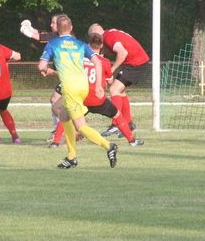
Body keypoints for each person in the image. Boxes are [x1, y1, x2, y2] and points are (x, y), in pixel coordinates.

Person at [38, 15, 118, 169]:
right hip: (84, 85)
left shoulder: (53, 44)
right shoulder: (80, 44)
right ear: (71, 27)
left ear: (57, 29)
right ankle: (71, 157)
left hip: (70, 87)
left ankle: (109, 146)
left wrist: (48, 70)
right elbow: (97, 62)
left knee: (80, 126)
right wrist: (100, 86)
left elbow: (41, 66)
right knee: (63, 115)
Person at [49, 33, 145, 147]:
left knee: (65, 115)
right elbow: (109, 81)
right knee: (117, 115)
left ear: (88, 44)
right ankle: (132, 140)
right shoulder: (104, 62)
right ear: (102, 46)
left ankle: (55, 142)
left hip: (81, 96)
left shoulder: (79, 59)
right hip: (97, 99)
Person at [88, 23, 149, 137]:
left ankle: (116, 124)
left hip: (136, 63)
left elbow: (123, 53)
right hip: (135, 61)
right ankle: (129, 124)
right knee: (120, 92)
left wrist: (111, 69)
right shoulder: (109, 34)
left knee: (114, 90)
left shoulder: (108, 37)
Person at [20, 14, 65, 143]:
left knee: (57, 103)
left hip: (70, 78)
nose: (51, 25)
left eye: (54, 23)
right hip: (68, 77)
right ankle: (63, 129)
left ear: (61, 24)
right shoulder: (62, 36)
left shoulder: (57, 37)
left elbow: (37, 36)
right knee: (56, 101)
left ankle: (64, 129)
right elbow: (40, 35)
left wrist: (27, 29)